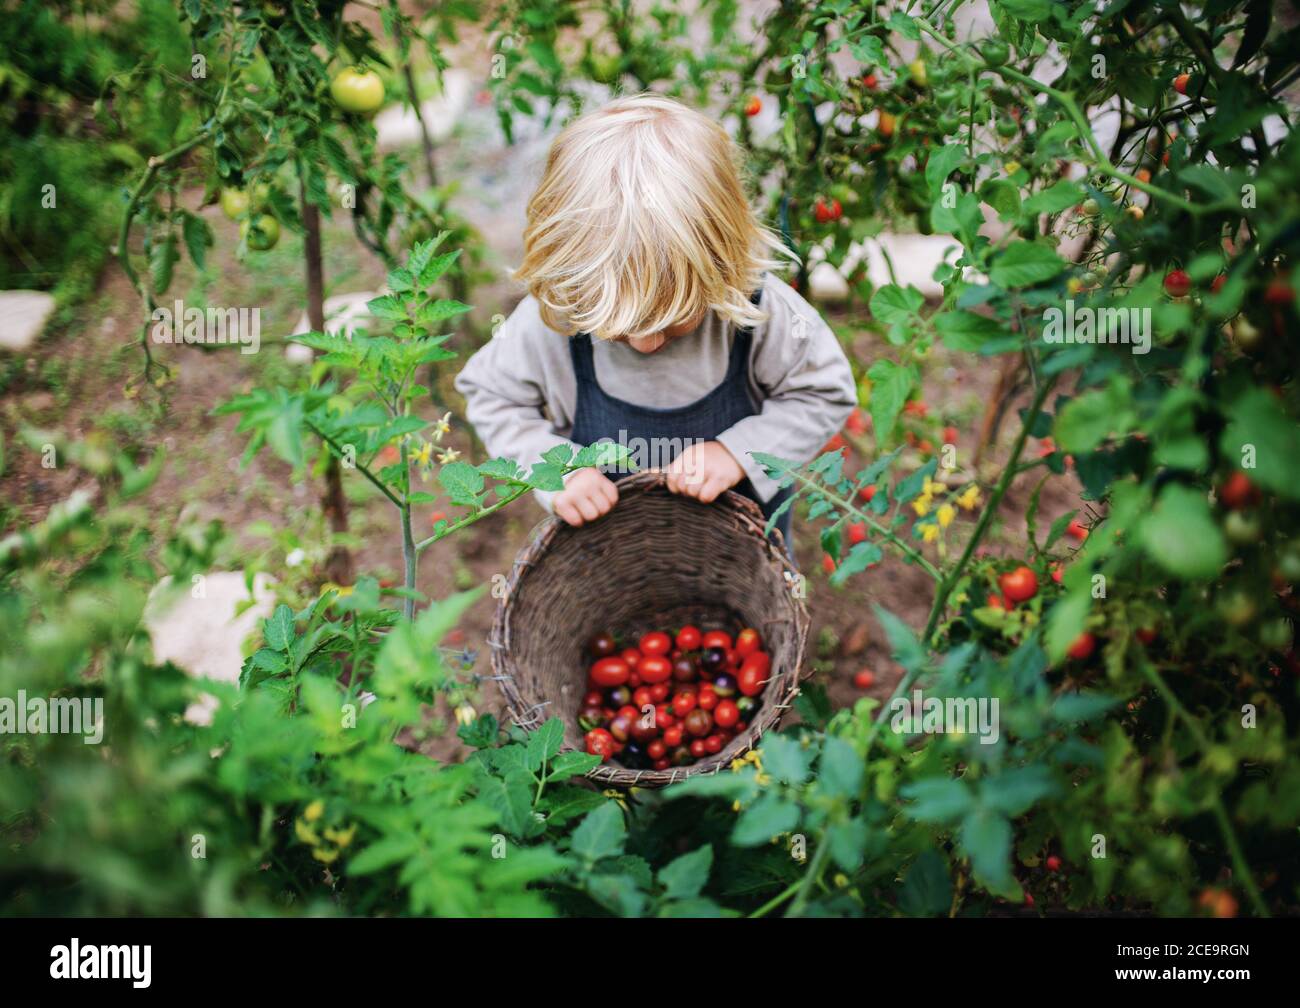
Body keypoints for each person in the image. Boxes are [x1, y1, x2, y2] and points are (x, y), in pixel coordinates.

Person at [455, 93, 855, 550]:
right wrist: (558, 471)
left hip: (741, 560)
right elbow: (491, 397)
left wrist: (739, 453)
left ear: (723, 268)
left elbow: (824, 391)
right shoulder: (557, 317)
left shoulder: (759, 311)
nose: (646, 343)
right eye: (617, 328)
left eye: (676, 319)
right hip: (613, 561)